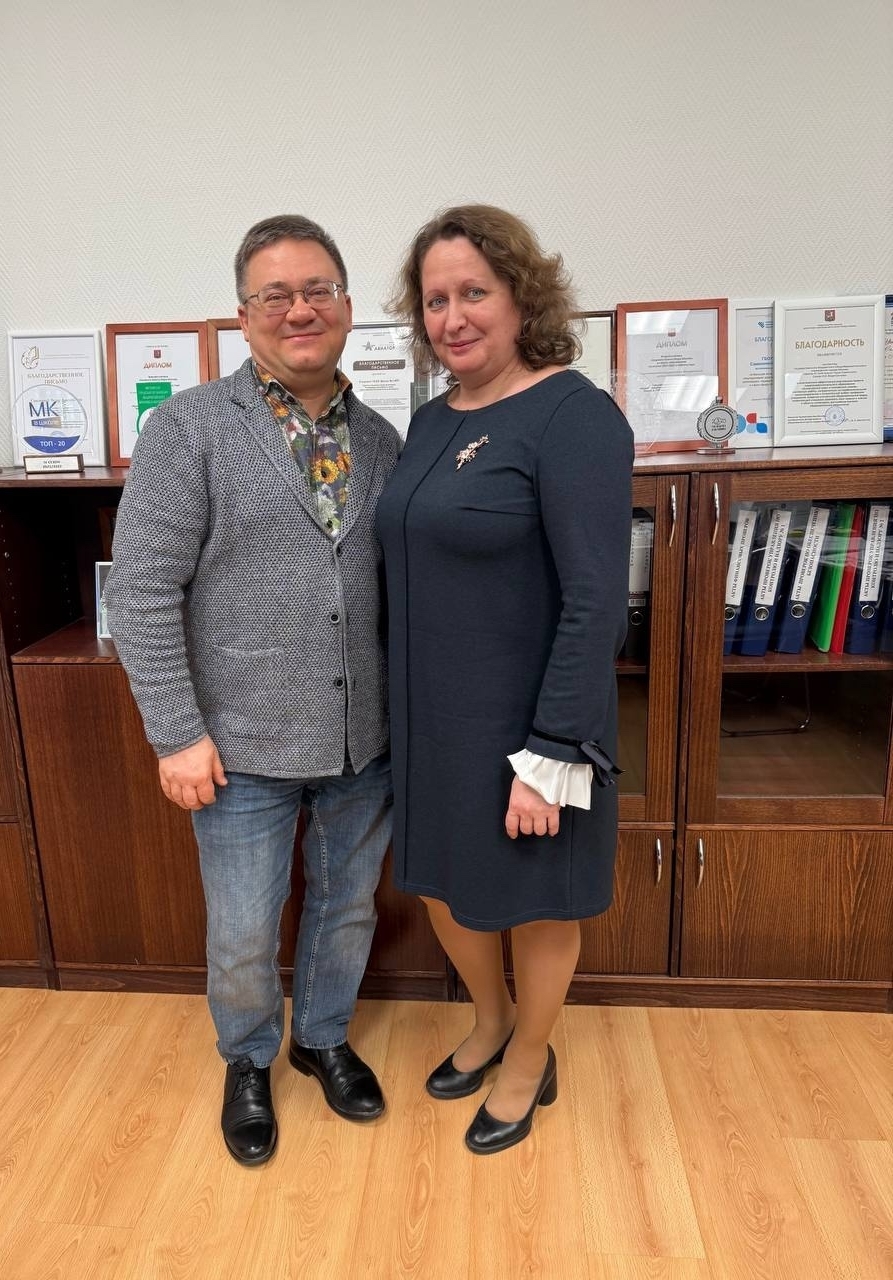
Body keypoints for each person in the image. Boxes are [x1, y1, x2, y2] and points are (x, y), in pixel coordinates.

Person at [106, 215, 401, 1166]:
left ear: (346, 306)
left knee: (348, 908)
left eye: (317, 290)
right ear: (243, 316)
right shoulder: (187, 428)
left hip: (363, 739)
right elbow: (140, 590)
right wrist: (175, 733)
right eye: (275, 294)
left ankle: (321, 1038)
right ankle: (247, 1058)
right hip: (237, 746)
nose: (298, 309)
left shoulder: (384, 439)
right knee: (241, 930)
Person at [377, 205, 633, 1155]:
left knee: (536, 902)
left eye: (473, 293)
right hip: (432, 721)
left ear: (522, 296)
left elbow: (596, 600)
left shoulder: (574, 417)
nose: (452, 318)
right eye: (434, 299)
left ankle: (529, 1056)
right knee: (445, 888)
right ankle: (488, 1022)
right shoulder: (428, 420)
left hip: (530, 724)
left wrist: (550, 754)